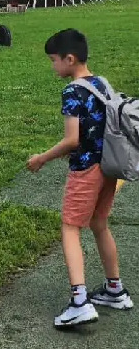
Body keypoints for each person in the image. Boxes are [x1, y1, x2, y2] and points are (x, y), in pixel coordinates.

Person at [27, 29, 132, 327]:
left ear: (69, 59)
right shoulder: (102, 83)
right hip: (109, 166)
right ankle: (115, 289)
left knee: (71, 227)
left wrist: (41, 158)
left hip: (86, 168)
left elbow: (73, 140)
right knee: (99, 223)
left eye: (53, 60)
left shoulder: (73, 91)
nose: (53, 66)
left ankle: (79, 301)